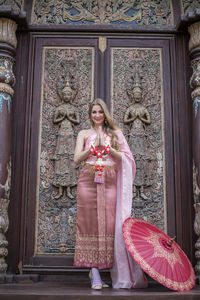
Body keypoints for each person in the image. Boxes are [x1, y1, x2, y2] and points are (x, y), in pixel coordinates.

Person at [73, 98, 148, 289]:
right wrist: (92, 148)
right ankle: (95, 272)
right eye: (94, 112)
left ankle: (102, 268)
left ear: (105, 114)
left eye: (100, 112)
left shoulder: (115, 133)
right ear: (89, 114)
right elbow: (76, 159)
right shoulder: (83, 133)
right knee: (88, 223)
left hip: (109, 181)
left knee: (109, 224)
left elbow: (127, 159)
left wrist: (108, 149)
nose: (97, 116)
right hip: (88, 179)